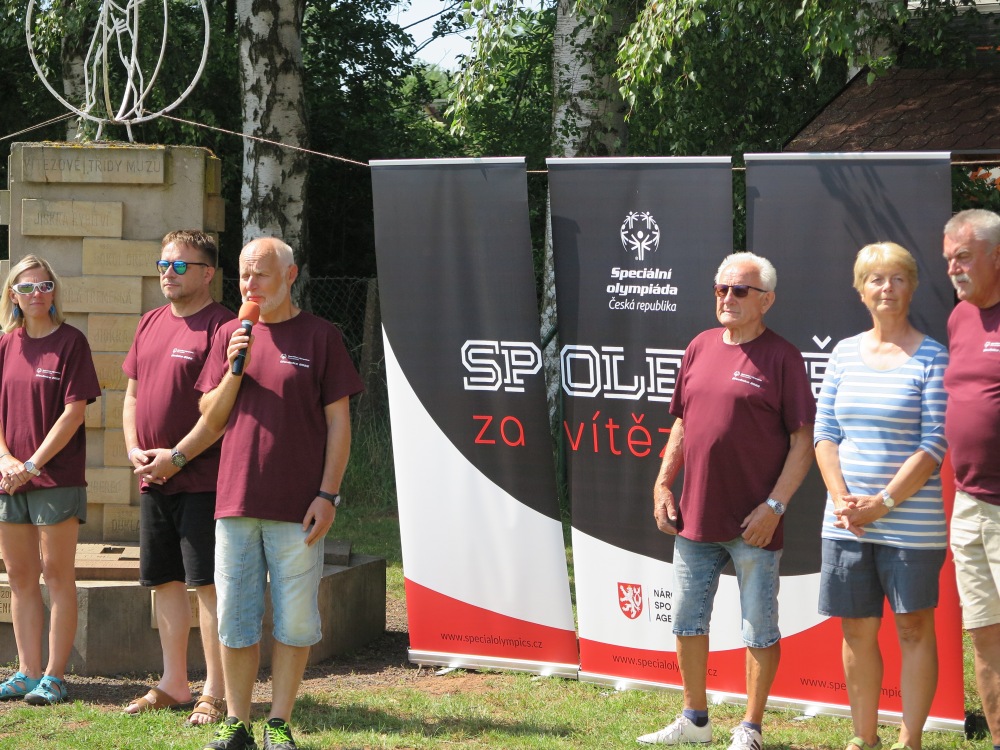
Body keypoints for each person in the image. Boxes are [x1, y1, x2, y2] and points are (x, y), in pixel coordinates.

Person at [638, 252, 816, 749]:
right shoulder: (699, 346)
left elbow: (803, 441)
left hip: (755, 523)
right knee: (686, 620)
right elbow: (682, 421)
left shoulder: (783, 357)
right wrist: (662, 484)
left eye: (740, 290)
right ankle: (695, 719)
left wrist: (774, 507)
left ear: (767, 300)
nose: (728, 298)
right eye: (721, 289)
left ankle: (751, 729)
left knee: (759, 629)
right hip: (695, 517)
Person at [194, 237, 363, 750]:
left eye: (261, 274)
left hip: (298, 507)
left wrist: (328, 495)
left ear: (289, 276)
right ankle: (237, 723)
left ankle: (280, 722)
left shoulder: (321, 336)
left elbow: (339, 425)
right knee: (235, 620)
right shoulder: (230, 335)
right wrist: (234, 367)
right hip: (236, 504)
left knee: (295, 621)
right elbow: (210, 418)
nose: (250, 285)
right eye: (244, 275)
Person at [814, 243, 949, 750]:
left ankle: (909, 741)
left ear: (912, 287)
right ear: (860, 290)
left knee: (913, 629)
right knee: (856, 631)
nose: (886, 288)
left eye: (897, 278)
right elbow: (825, 433)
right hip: (847, 522)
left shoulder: (933, 357)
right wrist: (842, 499)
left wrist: (883, 503)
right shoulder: (843, 353)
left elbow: (934, 444)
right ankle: (863, 737)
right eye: (875, 279)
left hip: (911, 526)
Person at [122, 230, 235, 723]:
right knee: (164, 581)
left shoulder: (223, 327)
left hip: (203, 479)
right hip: (154, 478)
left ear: (208, 273)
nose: (168, 272)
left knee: (206, 584)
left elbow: (221, 415)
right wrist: (135, 450)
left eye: (181, 265)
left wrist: (178, 458)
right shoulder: (149, 321)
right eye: (164, 264)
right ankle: (174, 683)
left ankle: (215, 690)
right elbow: (131, 395)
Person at [0, 255, 100, 706]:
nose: (36, 294)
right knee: (20, 576)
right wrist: (6, 460)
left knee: (58, 575)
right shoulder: (5, 344)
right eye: (26, 287)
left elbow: (74, 413)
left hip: (55, 478)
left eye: (44, 286)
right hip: (8, 479)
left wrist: (32, 464)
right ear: (13, 295)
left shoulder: (71, 342)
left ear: (54, 291)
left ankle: (55, 676)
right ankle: (27, 672)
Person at [942, 209, 1000, 750]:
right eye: (948, 260)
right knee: (983, 634)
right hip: (968, 503)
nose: (953, 269)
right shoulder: (960, 317)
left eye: (963, 257)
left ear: (997, 256)